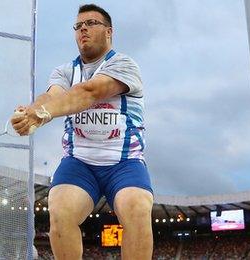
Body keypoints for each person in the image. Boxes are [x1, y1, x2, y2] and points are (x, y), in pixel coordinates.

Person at [11, 4, 153, 259]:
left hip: (123, 162)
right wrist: (30, 113)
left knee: (137, 207)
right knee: (60, 209)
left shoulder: (124, 65)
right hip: (79, 162)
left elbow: (90, 93)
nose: (83, 29)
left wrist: (43, 113)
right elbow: (52, 96)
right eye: (78, 26)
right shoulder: (65, 71)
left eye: (90, 23)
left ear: (109, 32)